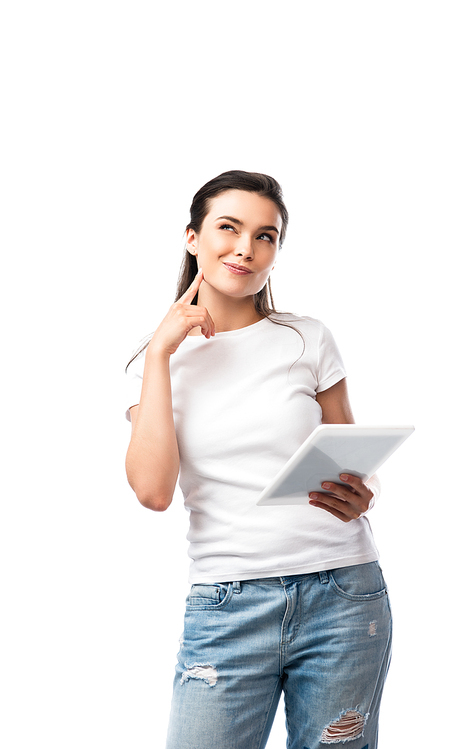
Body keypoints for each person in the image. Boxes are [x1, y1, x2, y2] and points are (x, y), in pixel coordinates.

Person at [125, 170, 392, 749]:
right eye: (229, 227)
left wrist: (364, 489)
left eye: (265, 235)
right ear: (192, 237)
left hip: (342, 594)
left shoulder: (308, 338)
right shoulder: (157, 363)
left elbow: (350, 456)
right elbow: (152, 491)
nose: (246, 248)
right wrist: (159, 355)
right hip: (228, 603)